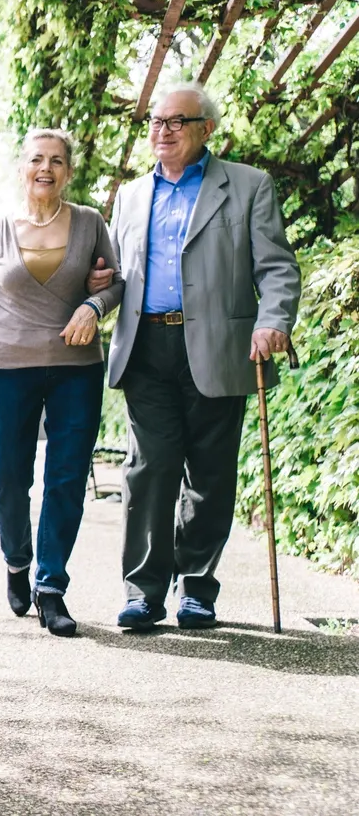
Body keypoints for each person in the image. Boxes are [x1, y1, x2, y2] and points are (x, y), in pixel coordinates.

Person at [89, 82, 300, 632]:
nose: (162, 131)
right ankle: (143, 591)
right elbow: (118, 274)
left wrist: (272, 320)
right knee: (149, 468)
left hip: (219, 346)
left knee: (209, 474)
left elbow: (276, 266)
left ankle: (197, 589)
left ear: (207, 128)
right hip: (146, 346)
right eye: (156, 122)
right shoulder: (132, 196)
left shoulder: (248, 186)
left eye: (176, 121)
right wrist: (96, 289)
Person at [0, 129, 124, 638]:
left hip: (77, 368)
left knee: (67, 478)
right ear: (22, 168)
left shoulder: (91, 223)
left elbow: (114, 281)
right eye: (36, 160)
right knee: (10, 476)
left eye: (56, 161)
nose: (45, 168)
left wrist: (93, 305)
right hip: (8, 367)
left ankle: (51, 588)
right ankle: (16, 563)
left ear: (69, 171)